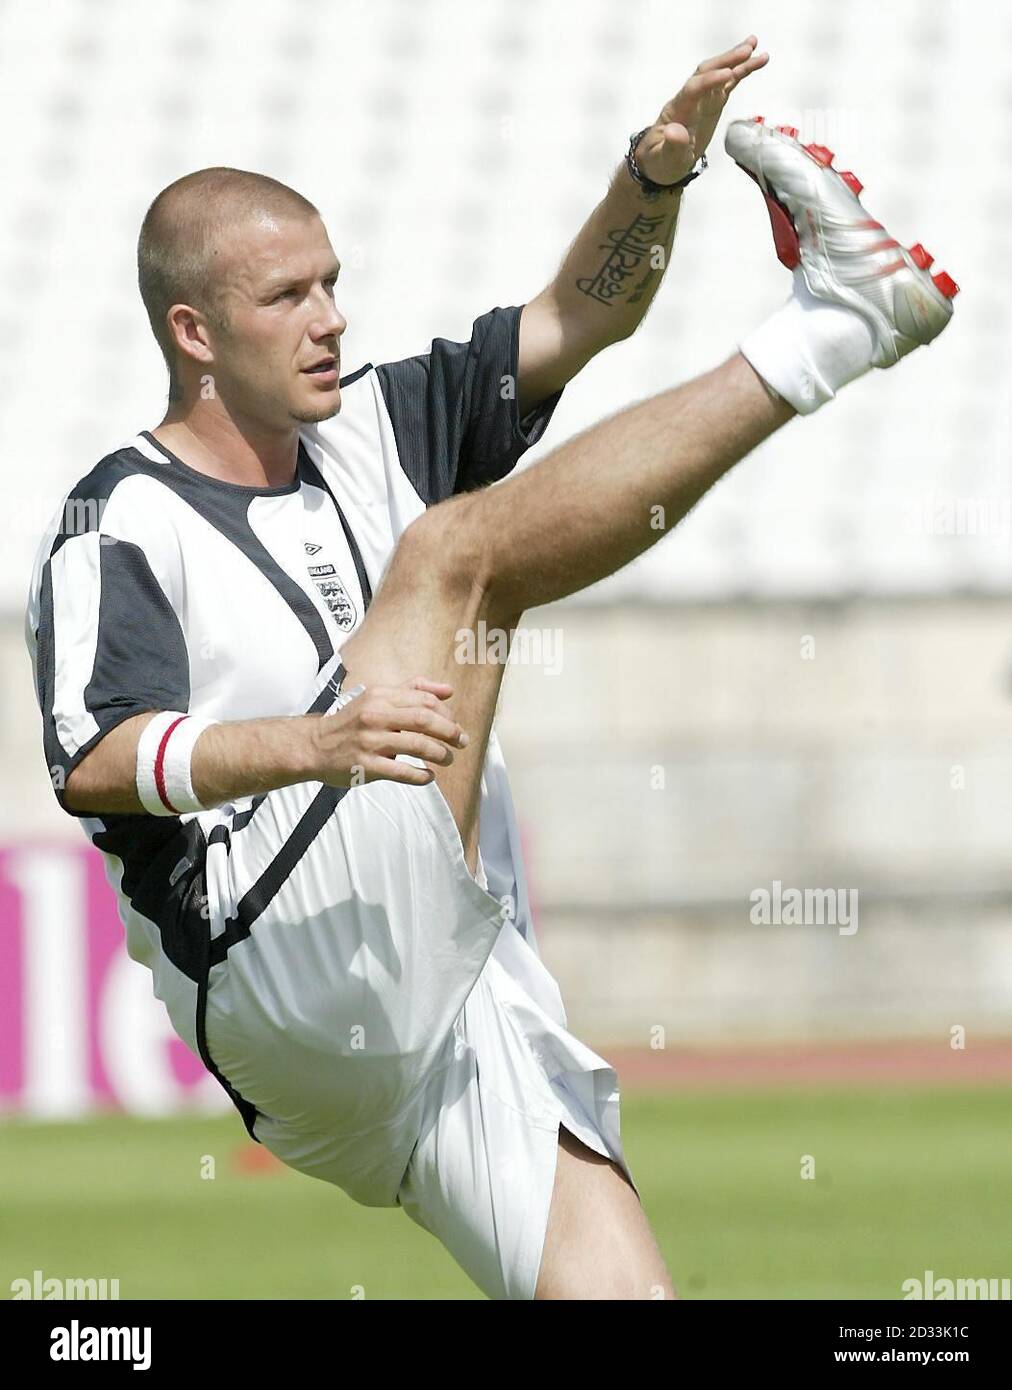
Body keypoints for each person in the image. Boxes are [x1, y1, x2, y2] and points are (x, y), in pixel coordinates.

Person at [24, 36, 956, 1300]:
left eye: (333, 283)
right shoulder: (116, 520)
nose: (330, 317)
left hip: (447, 1001)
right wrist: (314, 742)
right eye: (287, 296)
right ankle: (834, 331)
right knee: (453, 552)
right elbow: (95, 761)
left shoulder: (371, 420)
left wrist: (653, 173)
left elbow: (580, 317)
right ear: (193, 331)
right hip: (280, 965)